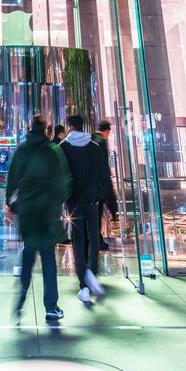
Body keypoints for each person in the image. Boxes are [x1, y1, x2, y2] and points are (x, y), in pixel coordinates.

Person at [6, 116, 71, 323]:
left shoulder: (21, 151)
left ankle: (20, 301)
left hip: (28, 214)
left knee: (28, 253)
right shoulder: (52, 150)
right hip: (47, 214)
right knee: (48, 259)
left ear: (29, 129)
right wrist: (57, 203)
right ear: (45, 130)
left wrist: (13, 205)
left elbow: (12, 181)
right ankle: (51, 306)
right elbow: (63, 183)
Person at [60, 113, 112, 305]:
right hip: (91, 201)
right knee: (94, 236)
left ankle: (83, 284)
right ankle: (92, 272)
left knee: (78, 241)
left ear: (70, 127)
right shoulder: (94, 147)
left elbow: (60, 175)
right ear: (83, 126)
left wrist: (65, 196)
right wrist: (97, 195)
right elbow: (105, 177)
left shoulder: (63, 147)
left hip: (73, 202)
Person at [91, 120, 119, 252]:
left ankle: (95, 239)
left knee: (94, 214)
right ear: (107, 131)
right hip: (99, 184)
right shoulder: (101, 141)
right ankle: (98, 240)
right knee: (98, 213)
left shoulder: (91, 138)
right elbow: (103, 164)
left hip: (90, 183)